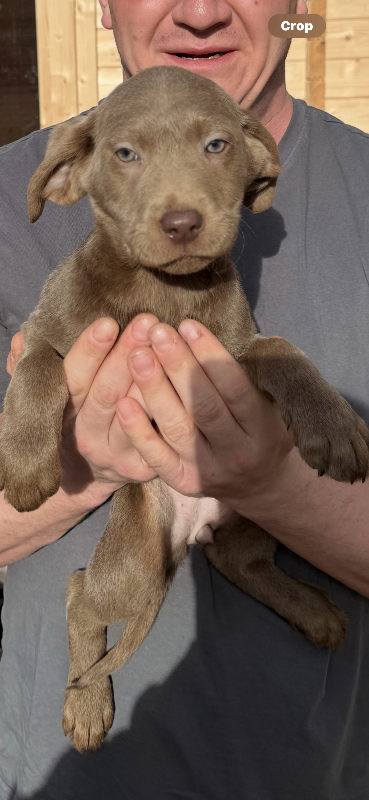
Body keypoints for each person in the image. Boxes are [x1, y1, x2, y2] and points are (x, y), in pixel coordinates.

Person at [0, 0, 368, 796]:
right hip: (60, 777)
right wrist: (87, 463)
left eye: (214, 146)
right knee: (125, 565)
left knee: (241, 525)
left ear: (256, 165)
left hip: (322, 773)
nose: (200, 11)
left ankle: (256, 572)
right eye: (129, 154)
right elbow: (46, 360)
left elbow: (247, 354)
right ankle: (89, 655)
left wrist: (275, 488)